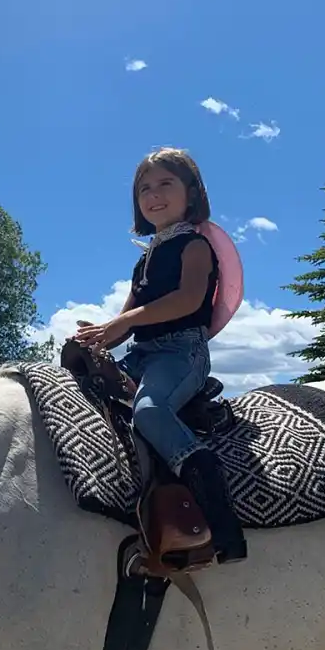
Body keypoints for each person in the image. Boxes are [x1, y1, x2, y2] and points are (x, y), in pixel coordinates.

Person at [74, 147, 247, 564]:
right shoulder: (145, 260)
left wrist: (126, 320)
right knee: (82, 389)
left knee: (150, 411)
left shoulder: (194, 246)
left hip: (181, 351)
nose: (153, 194)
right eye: (144, 188)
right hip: (143, 352)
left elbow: (188, 301)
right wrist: (96, 340)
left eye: (165, 183)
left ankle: (222, 525)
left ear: (191, 192)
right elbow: (125, 324)